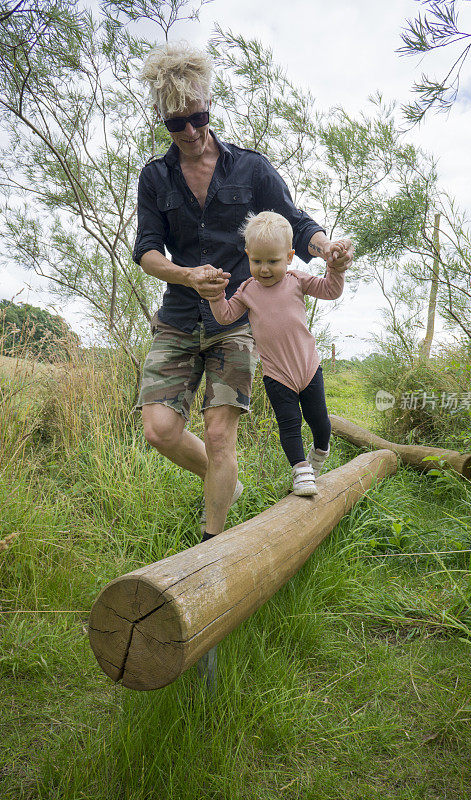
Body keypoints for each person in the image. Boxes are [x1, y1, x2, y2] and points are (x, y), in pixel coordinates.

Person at [133, 42, 353, 541]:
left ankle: (212, 545)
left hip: (234, 322)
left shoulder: (250, 168)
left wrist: (326, 249)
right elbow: (146, 251)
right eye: (176, 123)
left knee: (219, 433)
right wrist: (187, 276)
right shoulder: (154, 177)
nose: (189, 131)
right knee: (159, 430)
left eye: (198, 117)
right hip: (178, 317)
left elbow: (296, 224)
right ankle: (223, 482)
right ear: (163, 120)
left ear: (208, 105)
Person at [208, 211, 346, 497]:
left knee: (319, 422)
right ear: (248, 255)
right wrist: (215, 296)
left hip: (308, 368)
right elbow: (224, 317)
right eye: (257, 261)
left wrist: (336, 269)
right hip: (276, 373)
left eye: (273, 261)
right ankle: (300, 470)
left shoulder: (297, 280)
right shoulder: (247, 291)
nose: (265, 269)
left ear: (289, 256)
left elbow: (331, 291)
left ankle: (319, 452)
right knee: (289, 423)